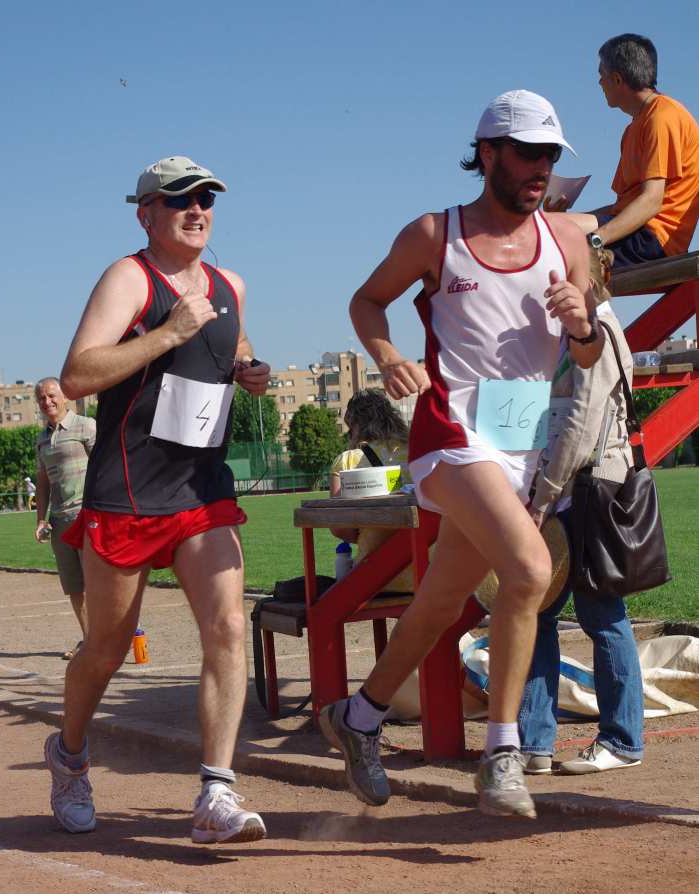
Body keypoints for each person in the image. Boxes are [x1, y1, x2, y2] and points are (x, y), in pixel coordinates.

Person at [320, 90, 604, 820]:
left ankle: (358, 716)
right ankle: (502, 753)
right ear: (487, 153)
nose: (540, 169)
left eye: (549, 156)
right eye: (528, 153)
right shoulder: (433, 234)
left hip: (520, 438)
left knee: (443, 599)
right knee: (529, 569)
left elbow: (587, 352)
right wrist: (387, 356)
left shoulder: (568, 242)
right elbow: (366, 301)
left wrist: (582, 326)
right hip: (449, 433)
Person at [47, 155, 268, 844]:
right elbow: (77, 375)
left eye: (206, 199)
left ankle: (216, 793)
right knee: (107, 647)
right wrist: (168, 332)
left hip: (201, 489)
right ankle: (70, 756)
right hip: (129, 492)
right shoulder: (129, 279)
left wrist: (250, 370)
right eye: (179, 200)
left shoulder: (229, 284)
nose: (196, 210)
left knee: (227, 626)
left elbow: (235, 346)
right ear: (146, 214)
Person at [519, 248, 644, 774]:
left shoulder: (601, 332)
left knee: (600, 614)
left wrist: (541, 497)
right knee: (539, 612)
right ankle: (535, 742)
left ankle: (621, 740)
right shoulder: (571, 335)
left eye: (562, 278)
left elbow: (580, 428)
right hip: (568, 493)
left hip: (586, 492)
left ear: (588, 281)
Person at [557, 34, 699, 266]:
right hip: (636, 231)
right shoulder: (634, 127)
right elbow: (620, 208)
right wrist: (565, 219)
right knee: (544, 225)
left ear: (617, 79)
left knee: (549, 243)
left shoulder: (663, 117)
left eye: (601, 75)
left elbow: (651, 202)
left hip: (653, 240)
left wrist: (595, 240)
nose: (599, 83)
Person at [33, 378, 96, 660]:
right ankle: (89, 640)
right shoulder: (41, 439)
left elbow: (104, 467)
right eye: (41, 398)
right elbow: (43, 483)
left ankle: (112, 637)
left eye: (51, 395)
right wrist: (41, 519)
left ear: (65, 396)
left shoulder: (86, 426)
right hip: (59, 521)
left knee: (96, 583)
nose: (47, 402)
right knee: (74, 586)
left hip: (87, 516)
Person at [329, 388, 412, 593]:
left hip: (374, 576)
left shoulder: (348, 460)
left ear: (355, 424)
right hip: (428, 571)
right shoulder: (419, 452)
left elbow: (338, 526)